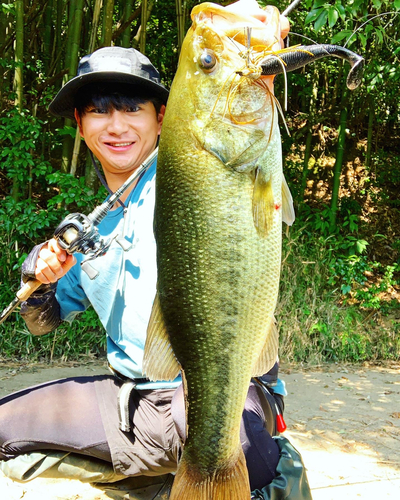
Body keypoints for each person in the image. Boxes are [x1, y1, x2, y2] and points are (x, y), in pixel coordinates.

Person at [0, 23, 311, 500]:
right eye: (99, 111)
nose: (116, 125)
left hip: (221, 393)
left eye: (132, 108)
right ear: (81, 126)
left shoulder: (197, 170)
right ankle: (146, 476)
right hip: (134, 405)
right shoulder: (89, 234)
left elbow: (231, 101)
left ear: (163, 117)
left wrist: (245, 36)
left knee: (237, 444)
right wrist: (38, 279)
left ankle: (254, 470)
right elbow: (43, 321)